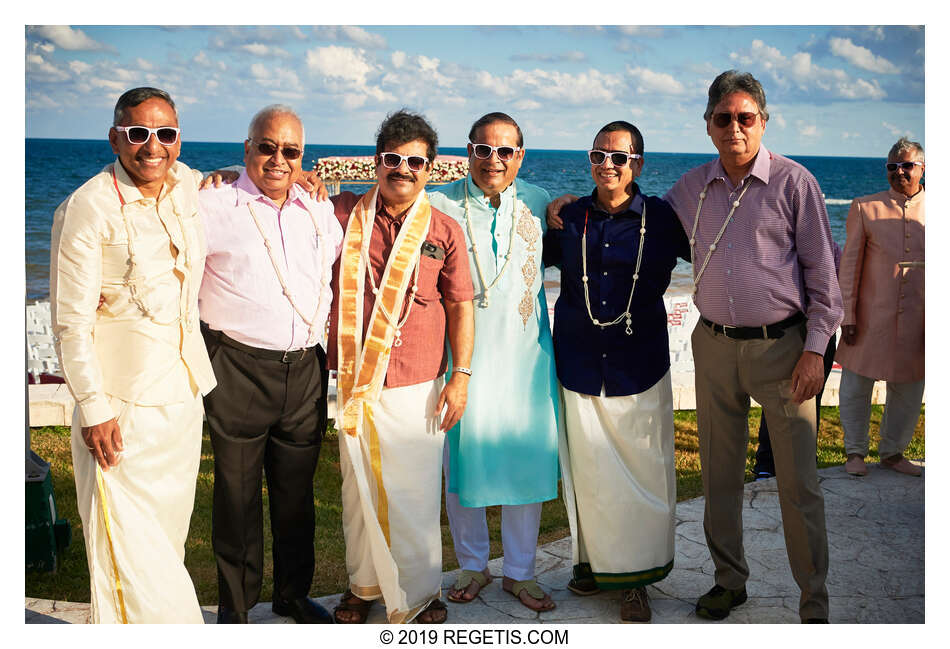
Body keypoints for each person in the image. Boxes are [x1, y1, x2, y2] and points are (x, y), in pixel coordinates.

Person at [663, 70, 842, 623]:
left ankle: (813, 601)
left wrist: (817, 350)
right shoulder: (690, 188)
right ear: (708, 126)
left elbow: (824, 278)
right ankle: (728, 581)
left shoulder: (795, 183)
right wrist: (574, 205)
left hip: (784, 351)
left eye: (746, 117)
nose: (735, 128)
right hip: (714, 345)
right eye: (724, 118)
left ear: (763, 122)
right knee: (719, 475)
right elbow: (637, 225)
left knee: (798, 484)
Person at [49, 87, 216, 623]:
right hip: (122, 406)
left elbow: (235, 182)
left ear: (178, 138)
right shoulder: (87, 206)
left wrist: (296, 177)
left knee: (165, 542)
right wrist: (94, 408)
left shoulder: (188, 183)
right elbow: (70, 321)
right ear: (115, 136)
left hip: (184, 396)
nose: (152, 146)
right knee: (125, 547)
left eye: (165, 133)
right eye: (138, 133)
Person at [328, 109, 475, 624]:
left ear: (430, 168)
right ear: (377, 161)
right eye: (392, 159)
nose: (402, 169)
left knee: (413, 494)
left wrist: (461, 377)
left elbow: (460, 304)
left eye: (415, 161)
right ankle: (364, 585)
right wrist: (227, 175)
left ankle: (419, 592)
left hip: (420, 382)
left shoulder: (444, 229)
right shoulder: (344, 213)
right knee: (356, 489)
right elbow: (282, 192)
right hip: (354, 378)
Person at [198, 105, 343, 624]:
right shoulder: (213, 201)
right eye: (267, 146)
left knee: (295, 494)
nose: (278, 159)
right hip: (237, 367)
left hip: (304, 369)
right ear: (247, 149)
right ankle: (236, 612)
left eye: (291, 150)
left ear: (303, 156)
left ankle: (292, 594)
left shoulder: (316, 207)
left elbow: (332, 266)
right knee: (236, 497)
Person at [543, 121, 689, 622]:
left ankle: (639, 578)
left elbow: (720, 252)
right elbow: (519, 255)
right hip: (579, 363)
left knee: (644, 477)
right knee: (589, 478)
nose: (608, 164)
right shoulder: (569, 218)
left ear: (638, 164)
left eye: (619, 157)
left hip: (639, 363)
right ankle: (594, 565)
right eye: (598, 155)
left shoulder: (664, 219)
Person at [426, 113, 560, 612]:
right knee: (463, 459)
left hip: (527, 358)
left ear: (520, 156)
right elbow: (382, 207)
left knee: (526, 461)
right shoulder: (437, 203)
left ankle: (521, 572)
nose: (494, 159)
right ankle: (472, 564)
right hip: (464, 361)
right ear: (468, 151)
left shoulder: (541, 202)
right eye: (484, 149)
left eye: (505, 151)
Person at [836, 137, 925, 478]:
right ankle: (855, 452)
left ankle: (893, 452)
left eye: (906, 166)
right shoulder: (865, 207)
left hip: (920, 318)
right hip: (871, 315)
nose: (899, 172)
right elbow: (850, 267)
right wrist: (848, 313)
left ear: (922, 169)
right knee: (857, 385)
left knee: (909, 388)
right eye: (892, 167)